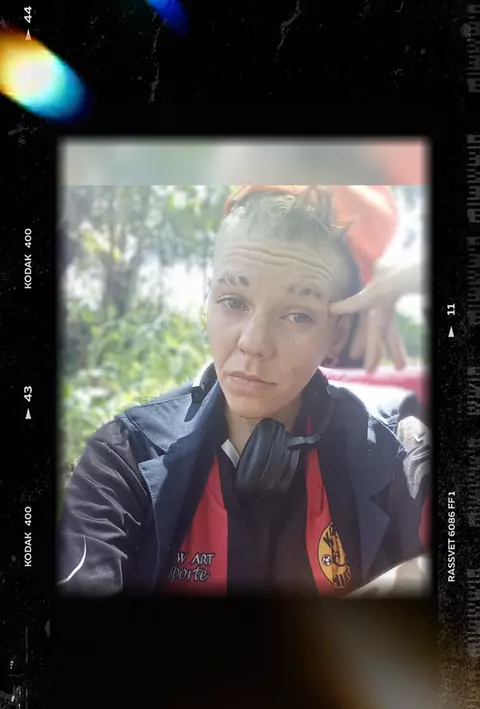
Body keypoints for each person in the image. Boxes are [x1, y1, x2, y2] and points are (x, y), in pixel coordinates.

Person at [57, 184, 430, 597]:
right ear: (208, 300)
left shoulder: (394, 452)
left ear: (337, 335)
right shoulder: (125, 458)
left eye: (297, 315)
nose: (253, 342)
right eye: (233, 301)